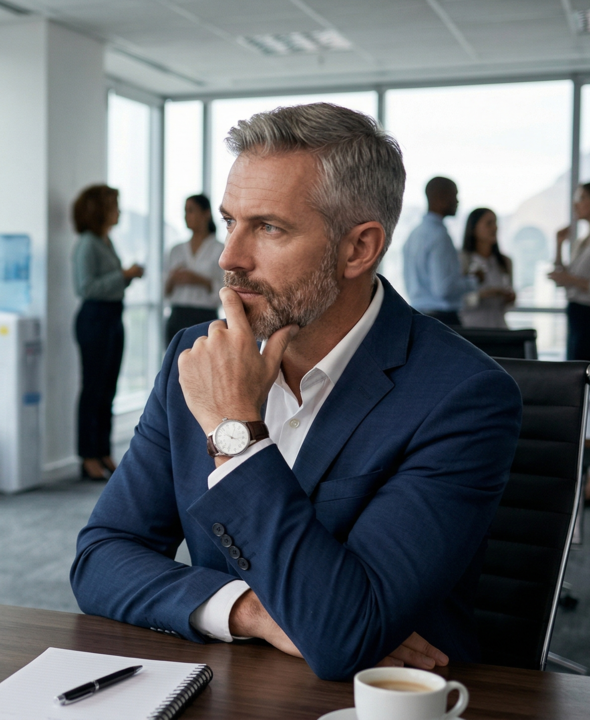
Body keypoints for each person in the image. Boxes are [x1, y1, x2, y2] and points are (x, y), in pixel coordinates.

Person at [70, 103, 522, 681]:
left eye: (268, 228)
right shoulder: (196, 355)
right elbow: (101, 557)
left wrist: (235, 428)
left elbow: (341, 635)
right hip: (228, 687)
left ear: (358, 248)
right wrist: (251, 611)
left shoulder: (464, 396)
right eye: (231, 221)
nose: (230, 258)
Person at [70, 185, 143, 481]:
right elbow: (85, 288)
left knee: (108, 389)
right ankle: (87, 456)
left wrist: (125, 278)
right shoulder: (87, 243)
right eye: (114, 205)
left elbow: (108, 283)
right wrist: (124, 275)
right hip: (95, 319)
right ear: (99, 209)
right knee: (93, 389)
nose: (119, 211)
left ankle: (102, 452)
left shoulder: (105, 241)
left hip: (112, 316)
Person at [402, 176, 480, 326]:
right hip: (442, 320)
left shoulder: (414, 234)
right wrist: (473, 281)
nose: (457, 201)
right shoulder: (439, 237)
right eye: (454, 195)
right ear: (441, 197)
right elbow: (444, 289)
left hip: (417, 316)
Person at [165, 194, 225, 343]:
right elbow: (164, 290)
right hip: (177, 316)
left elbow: (226, 290)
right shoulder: (176, 250)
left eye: (191, 210)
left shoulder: (220, 249)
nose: (186, 216)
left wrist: (199, 280)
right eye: (185, 211)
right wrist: (173, 279)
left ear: (206, 214)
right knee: (174, 364)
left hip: (204, 318)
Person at [550, 183, 590, 360]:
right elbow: (564, 276)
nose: (575, 205)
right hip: (576, 312)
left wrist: (570, 279)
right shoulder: (582, 241)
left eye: (581, 198)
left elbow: (570, 278)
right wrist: (559, 245)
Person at [458, 207, 514, 329]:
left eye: (495, 223)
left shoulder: (504, 262)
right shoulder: (461, 260)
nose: (495, 228)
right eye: (489, 223)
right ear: (473, 228)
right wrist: (482, 295)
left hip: (499, 329)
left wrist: (509, 298)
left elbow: (508, 305)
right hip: (470, 329)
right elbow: (454, 300)